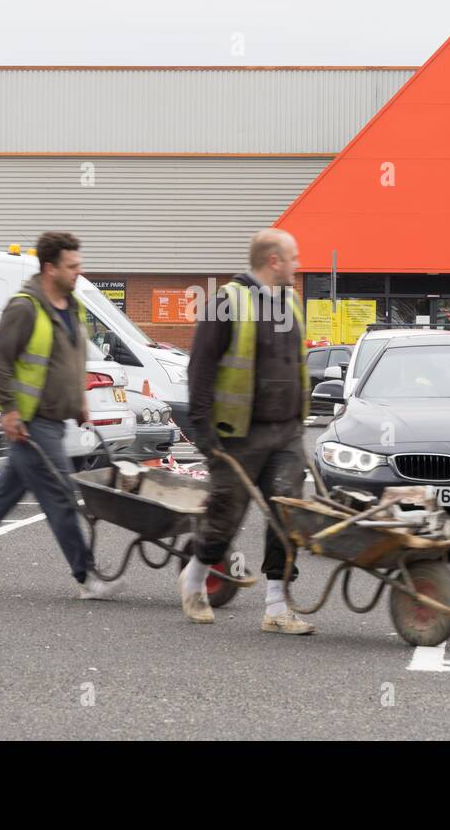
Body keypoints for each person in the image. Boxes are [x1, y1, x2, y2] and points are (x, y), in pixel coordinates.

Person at [0, 231, 123, 600]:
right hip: (30, 422)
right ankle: (86, 576)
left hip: (54, 420)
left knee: (4, 496)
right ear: (49, 268)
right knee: (60, 498)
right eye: (72, 266)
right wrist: (10, 411)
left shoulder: (69, 306)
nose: (78, 271)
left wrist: (78, 402)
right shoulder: (25, 307)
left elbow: (66, 361)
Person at [183, 228, 314, 635]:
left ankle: (276, 606)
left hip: (287, 432)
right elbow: (200, 368)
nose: (298, 265)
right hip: (239, 434)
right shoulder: (227, 302)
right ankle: (194, 580)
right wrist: (204, 432)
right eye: (293, 257)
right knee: (226, 515)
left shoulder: (290, 302)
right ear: (273, 261)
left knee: (286, 515)